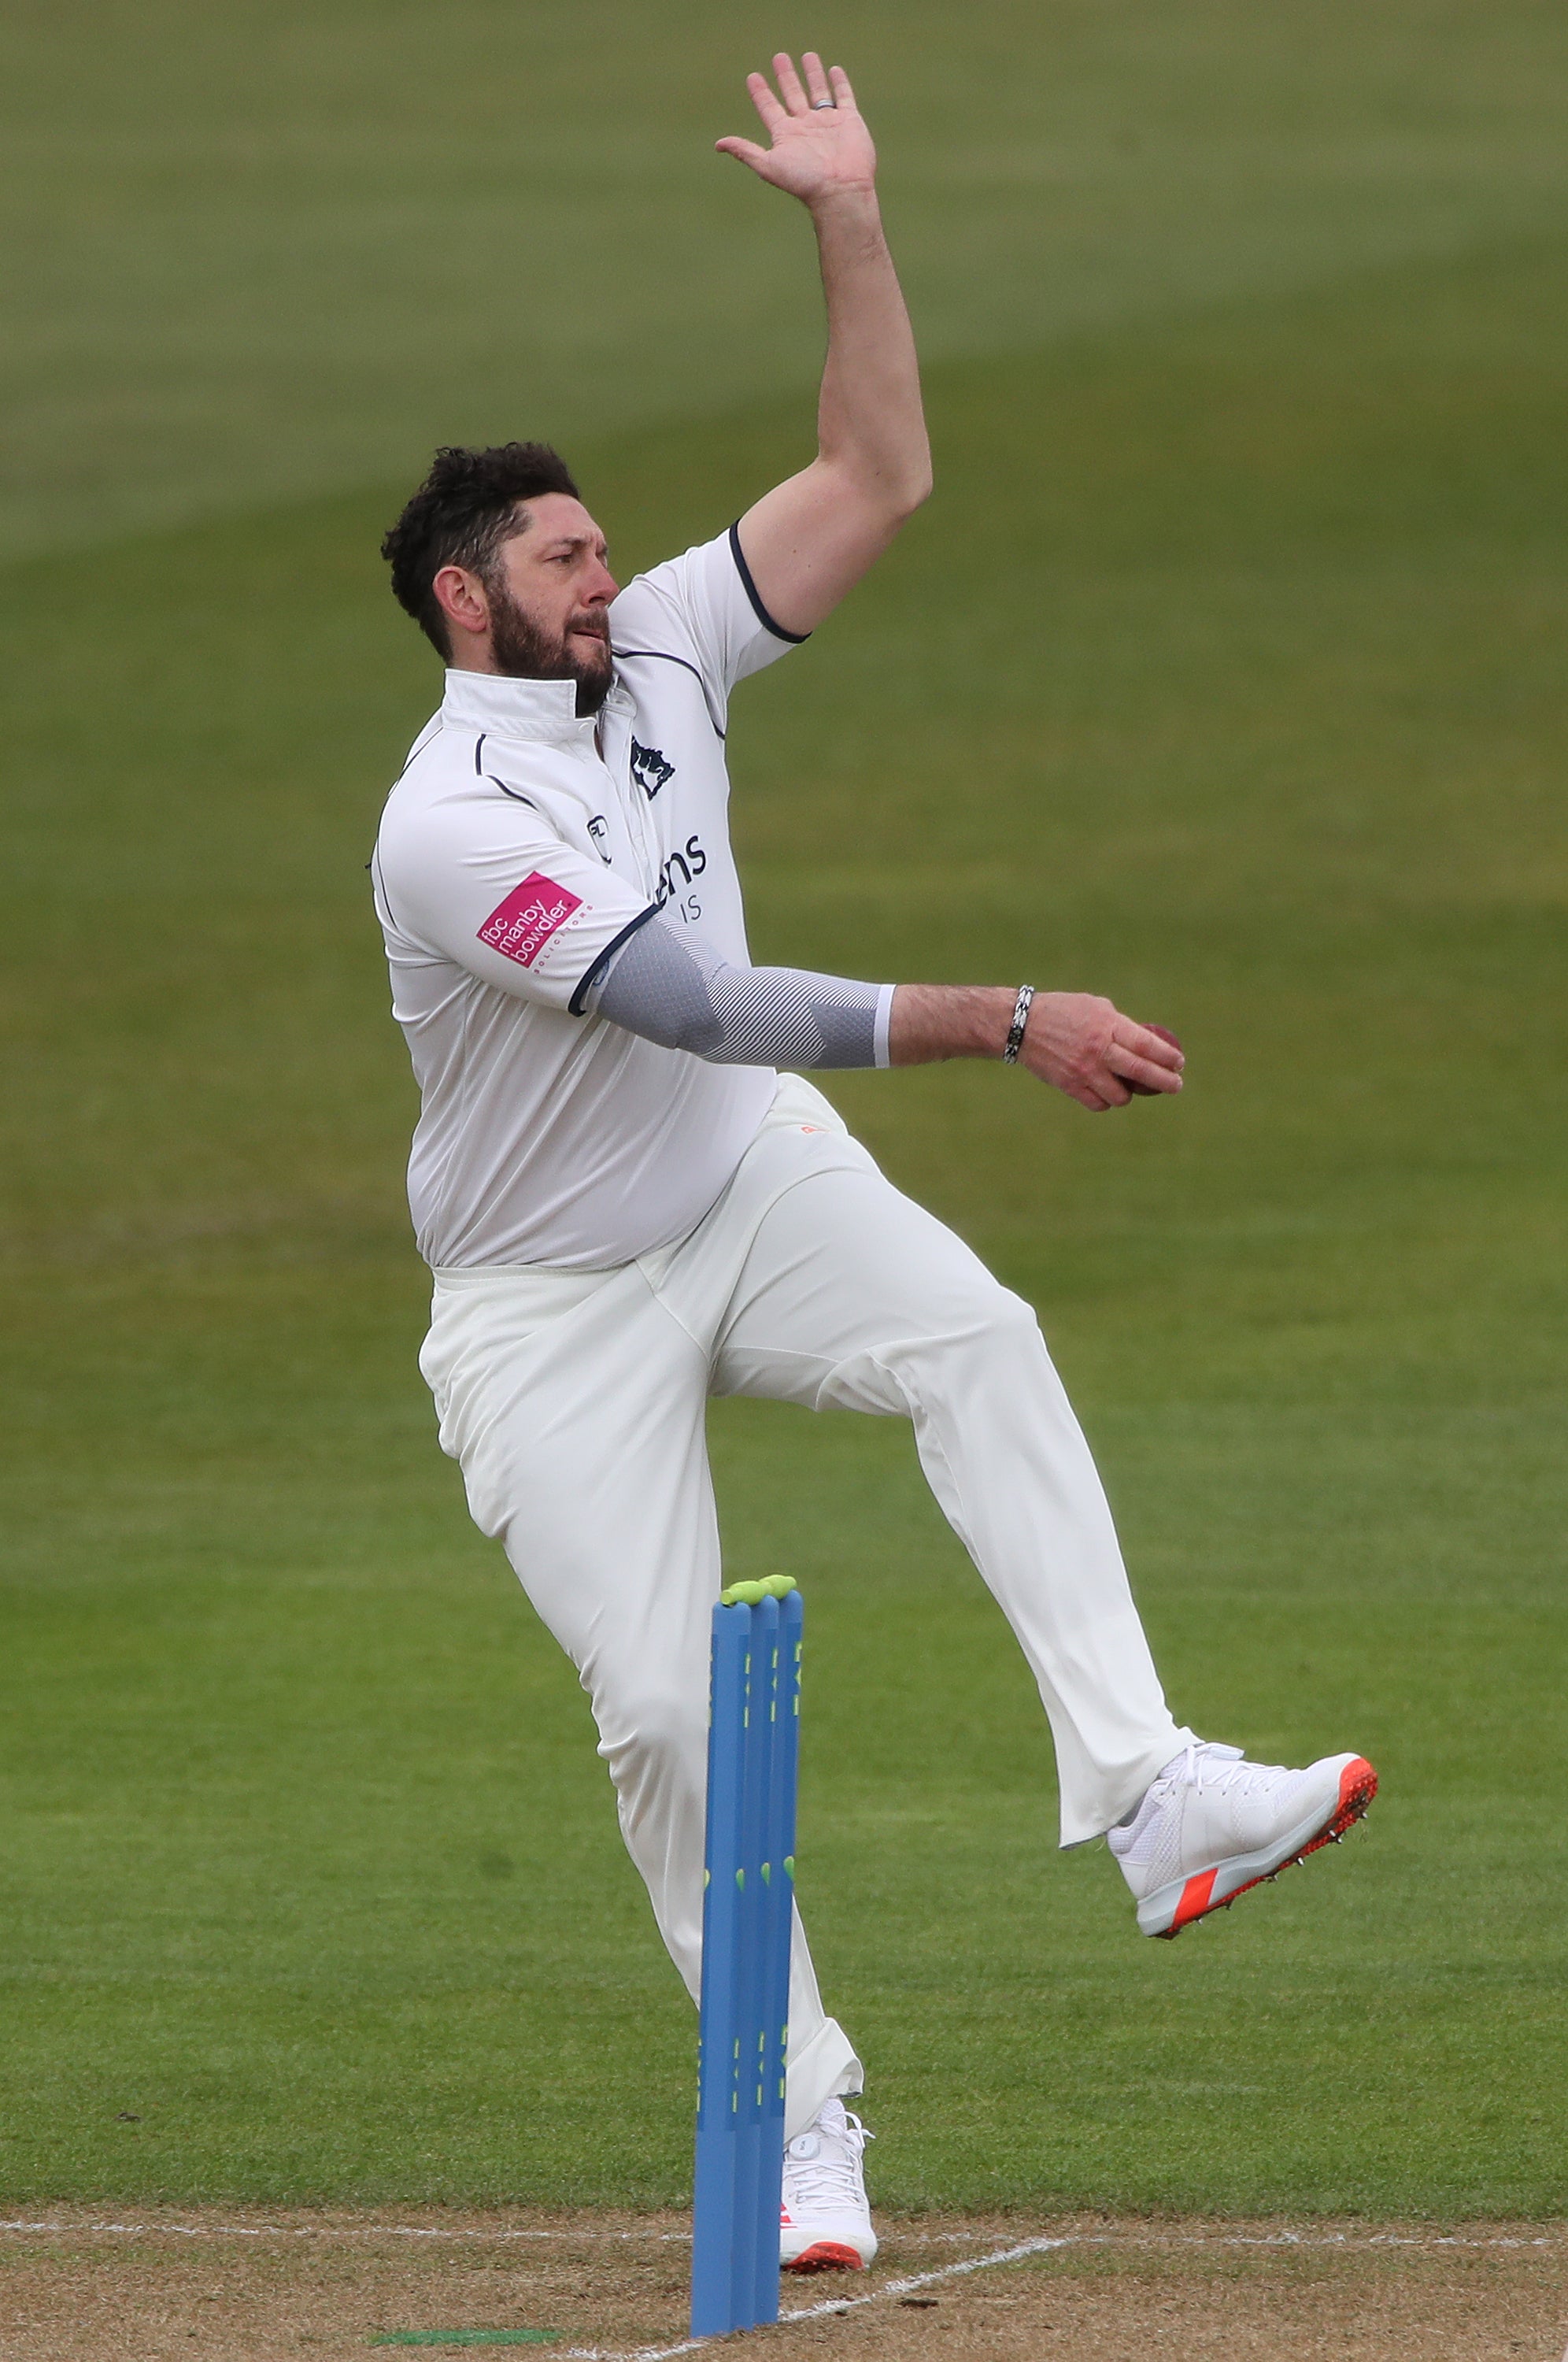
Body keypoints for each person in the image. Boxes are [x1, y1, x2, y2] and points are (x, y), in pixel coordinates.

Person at [372, 54, 1376, 2277]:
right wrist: (1005, 1019)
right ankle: (799, 2108)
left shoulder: (667, 655)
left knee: (980, 1339)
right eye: (560, 557)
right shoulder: (448, 827)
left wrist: (849, 211)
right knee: (655, 1708)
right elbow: (688, 1002)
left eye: (604, 541)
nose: (608, 571)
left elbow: (877, 466)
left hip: (745, 1183)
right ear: (463, 604)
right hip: (549, 1303)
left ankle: (1151, 1798)